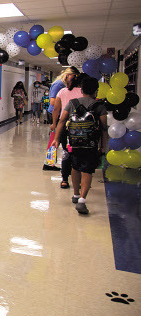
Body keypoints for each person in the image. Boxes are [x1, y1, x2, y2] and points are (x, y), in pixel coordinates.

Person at [52, 77, 107, 214]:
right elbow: (104, 128)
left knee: (75, 167)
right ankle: (82, 200)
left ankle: (76, 194)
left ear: (81, 90)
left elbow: (61, 121)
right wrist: (103, 146)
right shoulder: (99, 106)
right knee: (87, 170)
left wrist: (56, 138)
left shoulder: (72, 103)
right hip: (91, 144)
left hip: (74, 142)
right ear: (96, 91)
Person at [52, 73, 84, 189]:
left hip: (65, 125)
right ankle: (79, 181)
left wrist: (54, 123)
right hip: (81, 126)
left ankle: (64, 180)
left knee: (67, 152)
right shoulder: (83, 93)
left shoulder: (62, 92)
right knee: (80, 153)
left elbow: (56, 108)